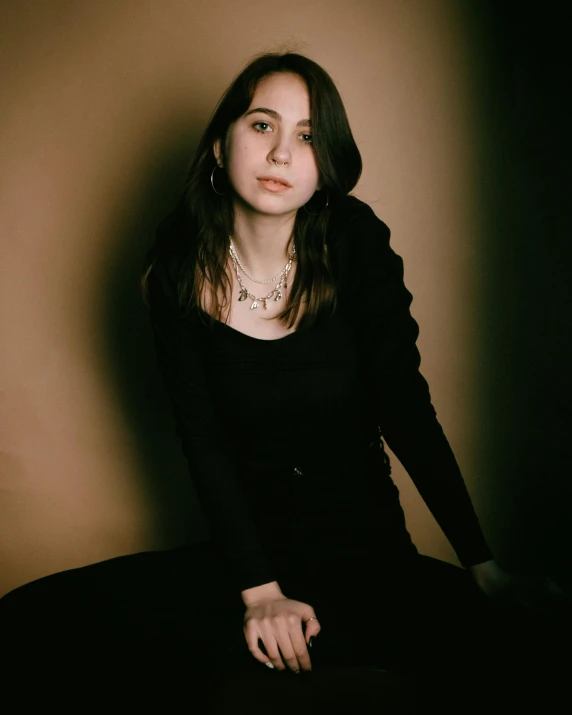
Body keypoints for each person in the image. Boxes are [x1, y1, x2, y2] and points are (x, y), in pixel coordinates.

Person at [140, 51, 568, 712]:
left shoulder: (354, 241)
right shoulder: (176, 267)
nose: (282, 152)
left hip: (365, 544)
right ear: (220, 148)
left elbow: (405, 404)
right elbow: (203, 440)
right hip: (249, 557)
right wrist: (259, 590)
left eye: (307, 136)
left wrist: (482, 563)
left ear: (326, 165)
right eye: (261, 125)